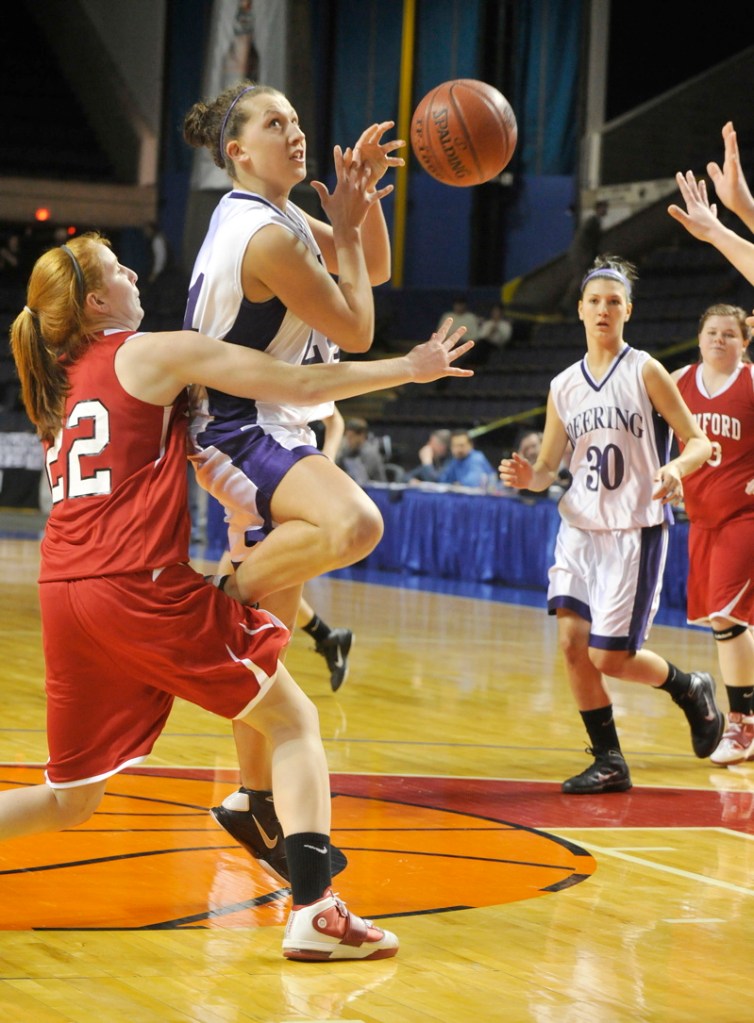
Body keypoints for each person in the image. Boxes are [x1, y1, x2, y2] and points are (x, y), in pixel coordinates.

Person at [6, 233, 472, 959]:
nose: (134, 272)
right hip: (136, 587)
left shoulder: (64, 382)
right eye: (119, 269)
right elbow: (305, 388)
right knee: (294, 722)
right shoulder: (150, 351)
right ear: (98, 302)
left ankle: (299, 875)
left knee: (71, 796)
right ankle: (317, 910)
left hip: (64, 590)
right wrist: (408, 368)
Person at [181, 80, 409, 848]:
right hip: (238, 424)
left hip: (268, 420)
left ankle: (251, 797)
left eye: (298, 117)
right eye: (276, 123)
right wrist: (342, 229)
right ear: (238, 152)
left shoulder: (268, 213)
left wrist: (362, 201)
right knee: (354, 521)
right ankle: (215, 599)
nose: (296, 130)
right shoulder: (266, 235)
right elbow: (356, 327)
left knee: (269, 632)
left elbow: (370, 268)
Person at [499, 254, 724, 794]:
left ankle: (689, 686)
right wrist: (531, 476)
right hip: (579, 527)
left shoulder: (644, 370)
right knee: (573, 644)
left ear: (628, 310)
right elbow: (549, 469)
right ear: (579, 310)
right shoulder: (563, 387)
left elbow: (698, 441)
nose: (604, 310)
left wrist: (674, 467)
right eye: (595, 301)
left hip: (634, 528)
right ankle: (609, 760)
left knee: (611, 656)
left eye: (614, 302)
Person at [670, 305, 754, 765]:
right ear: (698, 338)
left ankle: (741, 724)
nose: (719, 339)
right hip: (700, 518)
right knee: (731, 620)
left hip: (745, 514)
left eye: (729, 334)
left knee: (724, 614)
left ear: (744, 342)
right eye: (711, 332)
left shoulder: (752, 381)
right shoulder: (678, 379)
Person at [559, 200, 609, 314]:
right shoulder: (592, 222)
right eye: (603, 208)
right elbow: (589, 239)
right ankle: (565, 306)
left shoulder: (594, 222)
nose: (605, 211)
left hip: (583, 254)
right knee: (580, 279)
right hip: (581, 255)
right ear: (598, 209)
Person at [335, 416, 388, 485]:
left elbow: (361, 477)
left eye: (351, 437)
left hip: (374, 492)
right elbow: (337, 466)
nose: (348, 440)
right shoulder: (348, 450)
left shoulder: (370, 453)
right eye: (347, 437)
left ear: (361, 436)